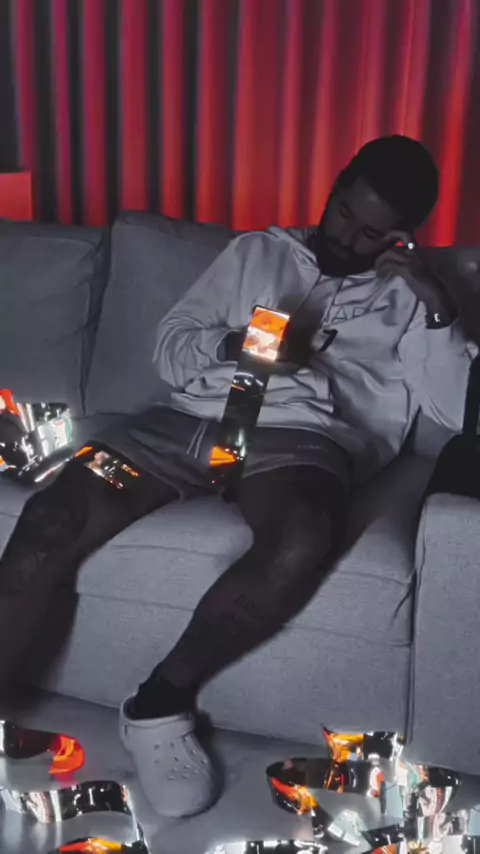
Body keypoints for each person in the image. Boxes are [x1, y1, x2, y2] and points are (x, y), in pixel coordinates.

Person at [0, 136, 475, 818]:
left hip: (299, 443)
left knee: (302, 536)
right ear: (334, 188)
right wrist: (241, 345)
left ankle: (158, 704)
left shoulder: (412, 298)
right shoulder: (258, 253)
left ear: (403, 235)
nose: (348, 237)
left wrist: (433, 299)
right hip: (182, 425)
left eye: (373, 233)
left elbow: (456, 410)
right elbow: (169, 348)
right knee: (53, 511)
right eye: (344, 212)